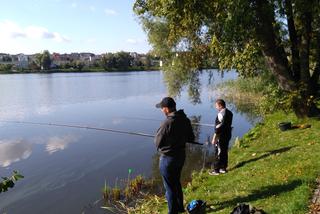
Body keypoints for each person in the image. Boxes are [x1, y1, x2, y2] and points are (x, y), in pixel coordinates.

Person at [155, 97, 195, 214]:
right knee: (176, 182)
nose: (162, 110)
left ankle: (173, 212)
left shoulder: (166, 123)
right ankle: (180, 208)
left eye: (162, 108)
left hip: (168, 159)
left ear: (166, 109)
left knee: (169, 187)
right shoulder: (185, 119)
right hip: (181, 156)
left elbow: (157, 143)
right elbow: (191, 138)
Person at [209, 99, 233, 175]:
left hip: (221, 136)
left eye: (216, 106)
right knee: (224, 151)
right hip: (228, 135)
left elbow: (218, 129)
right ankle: (223, 168)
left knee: (218, 152)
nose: (216, 108)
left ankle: (216, 170)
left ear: (220, 105)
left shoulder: (220, 114)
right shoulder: (230, 113)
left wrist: (214, 138)